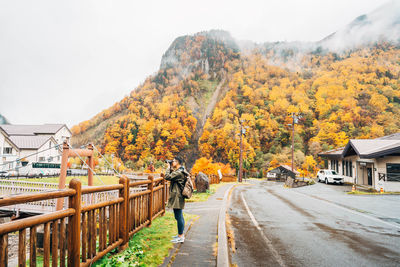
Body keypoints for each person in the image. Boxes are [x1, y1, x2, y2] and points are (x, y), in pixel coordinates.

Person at [164, 156, 187, 243]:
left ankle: (181, 236)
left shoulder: (180, 172)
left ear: (177, 162)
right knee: (178, 216)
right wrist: (170, 167)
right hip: (177, 195)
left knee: (179, 216)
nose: (171, 163)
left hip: (178, 196)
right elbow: (171, 175)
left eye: (173, 161)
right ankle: (180, 234)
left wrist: (167, 168)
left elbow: (167, 177)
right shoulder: (179, 171)